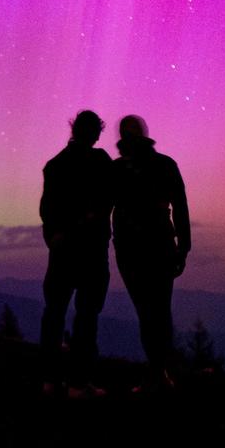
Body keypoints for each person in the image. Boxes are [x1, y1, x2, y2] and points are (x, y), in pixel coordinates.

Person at [111, 114, 190, 392]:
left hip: (147, 247)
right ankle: (160, 372)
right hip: (147, 246)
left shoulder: (124, 168)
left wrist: (184, 247)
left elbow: (180, 206)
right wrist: (183, 247)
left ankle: (159, 372)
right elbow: (179, 206)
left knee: (152, 311)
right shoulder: (160, 165)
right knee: (152, 310)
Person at [38, 110, 112, 398]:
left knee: (56, 314)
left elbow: (47, 210)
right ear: (92, 132)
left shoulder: (55, 165)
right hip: (89, 250)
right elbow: (108, 199)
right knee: (86, 316)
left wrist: (55, 236)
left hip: (65, 249)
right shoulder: (100, 162)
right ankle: (78, 382)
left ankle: (51, 379)